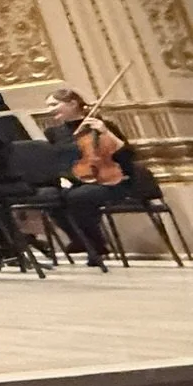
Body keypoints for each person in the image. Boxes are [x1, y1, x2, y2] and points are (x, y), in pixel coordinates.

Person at [44, 86, 147, 268]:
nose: (49, 110)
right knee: (50, 198)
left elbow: (127, 155)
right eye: (48, 106)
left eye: (54, 104)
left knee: (79, 197)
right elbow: (55, 161)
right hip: (76, 180)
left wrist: (105, 132)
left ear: (72, 103)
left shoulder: (100, 126)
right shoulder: (53, 133)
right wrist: (61, 176)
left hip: (111, 181)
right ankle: (81, 240)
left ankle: (96, 246)